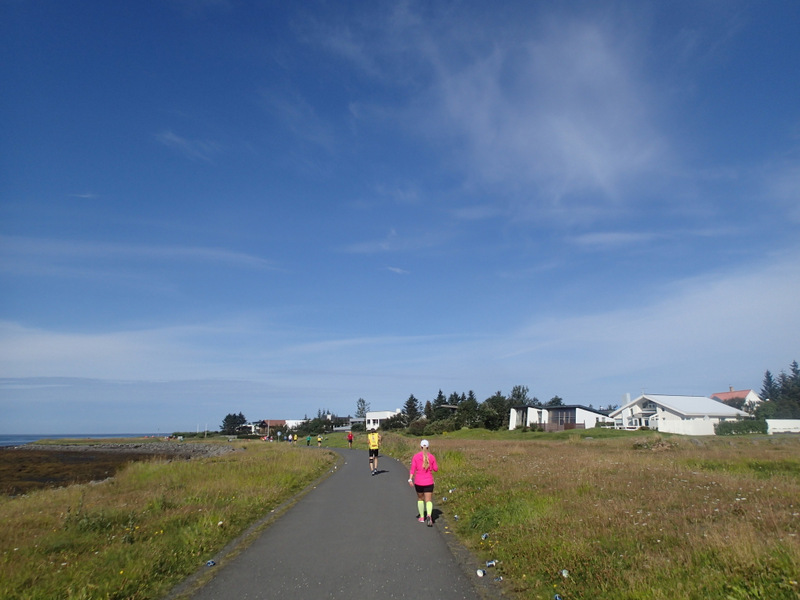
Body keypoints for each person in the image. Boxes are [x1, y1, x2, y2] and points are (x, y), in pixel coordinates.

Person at [408, 439, 438, 526]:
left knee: (420, 499)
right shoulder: (431, 457)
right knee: (428, 500)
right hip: (429, 481)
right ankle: (429, 515)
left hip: (419, 482)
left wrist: (410, 479)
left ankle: (421, 517)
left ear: (420, 447)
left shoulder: (416, 457)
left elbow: (413, 469)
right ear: (428, 447)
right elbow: (436, 469)